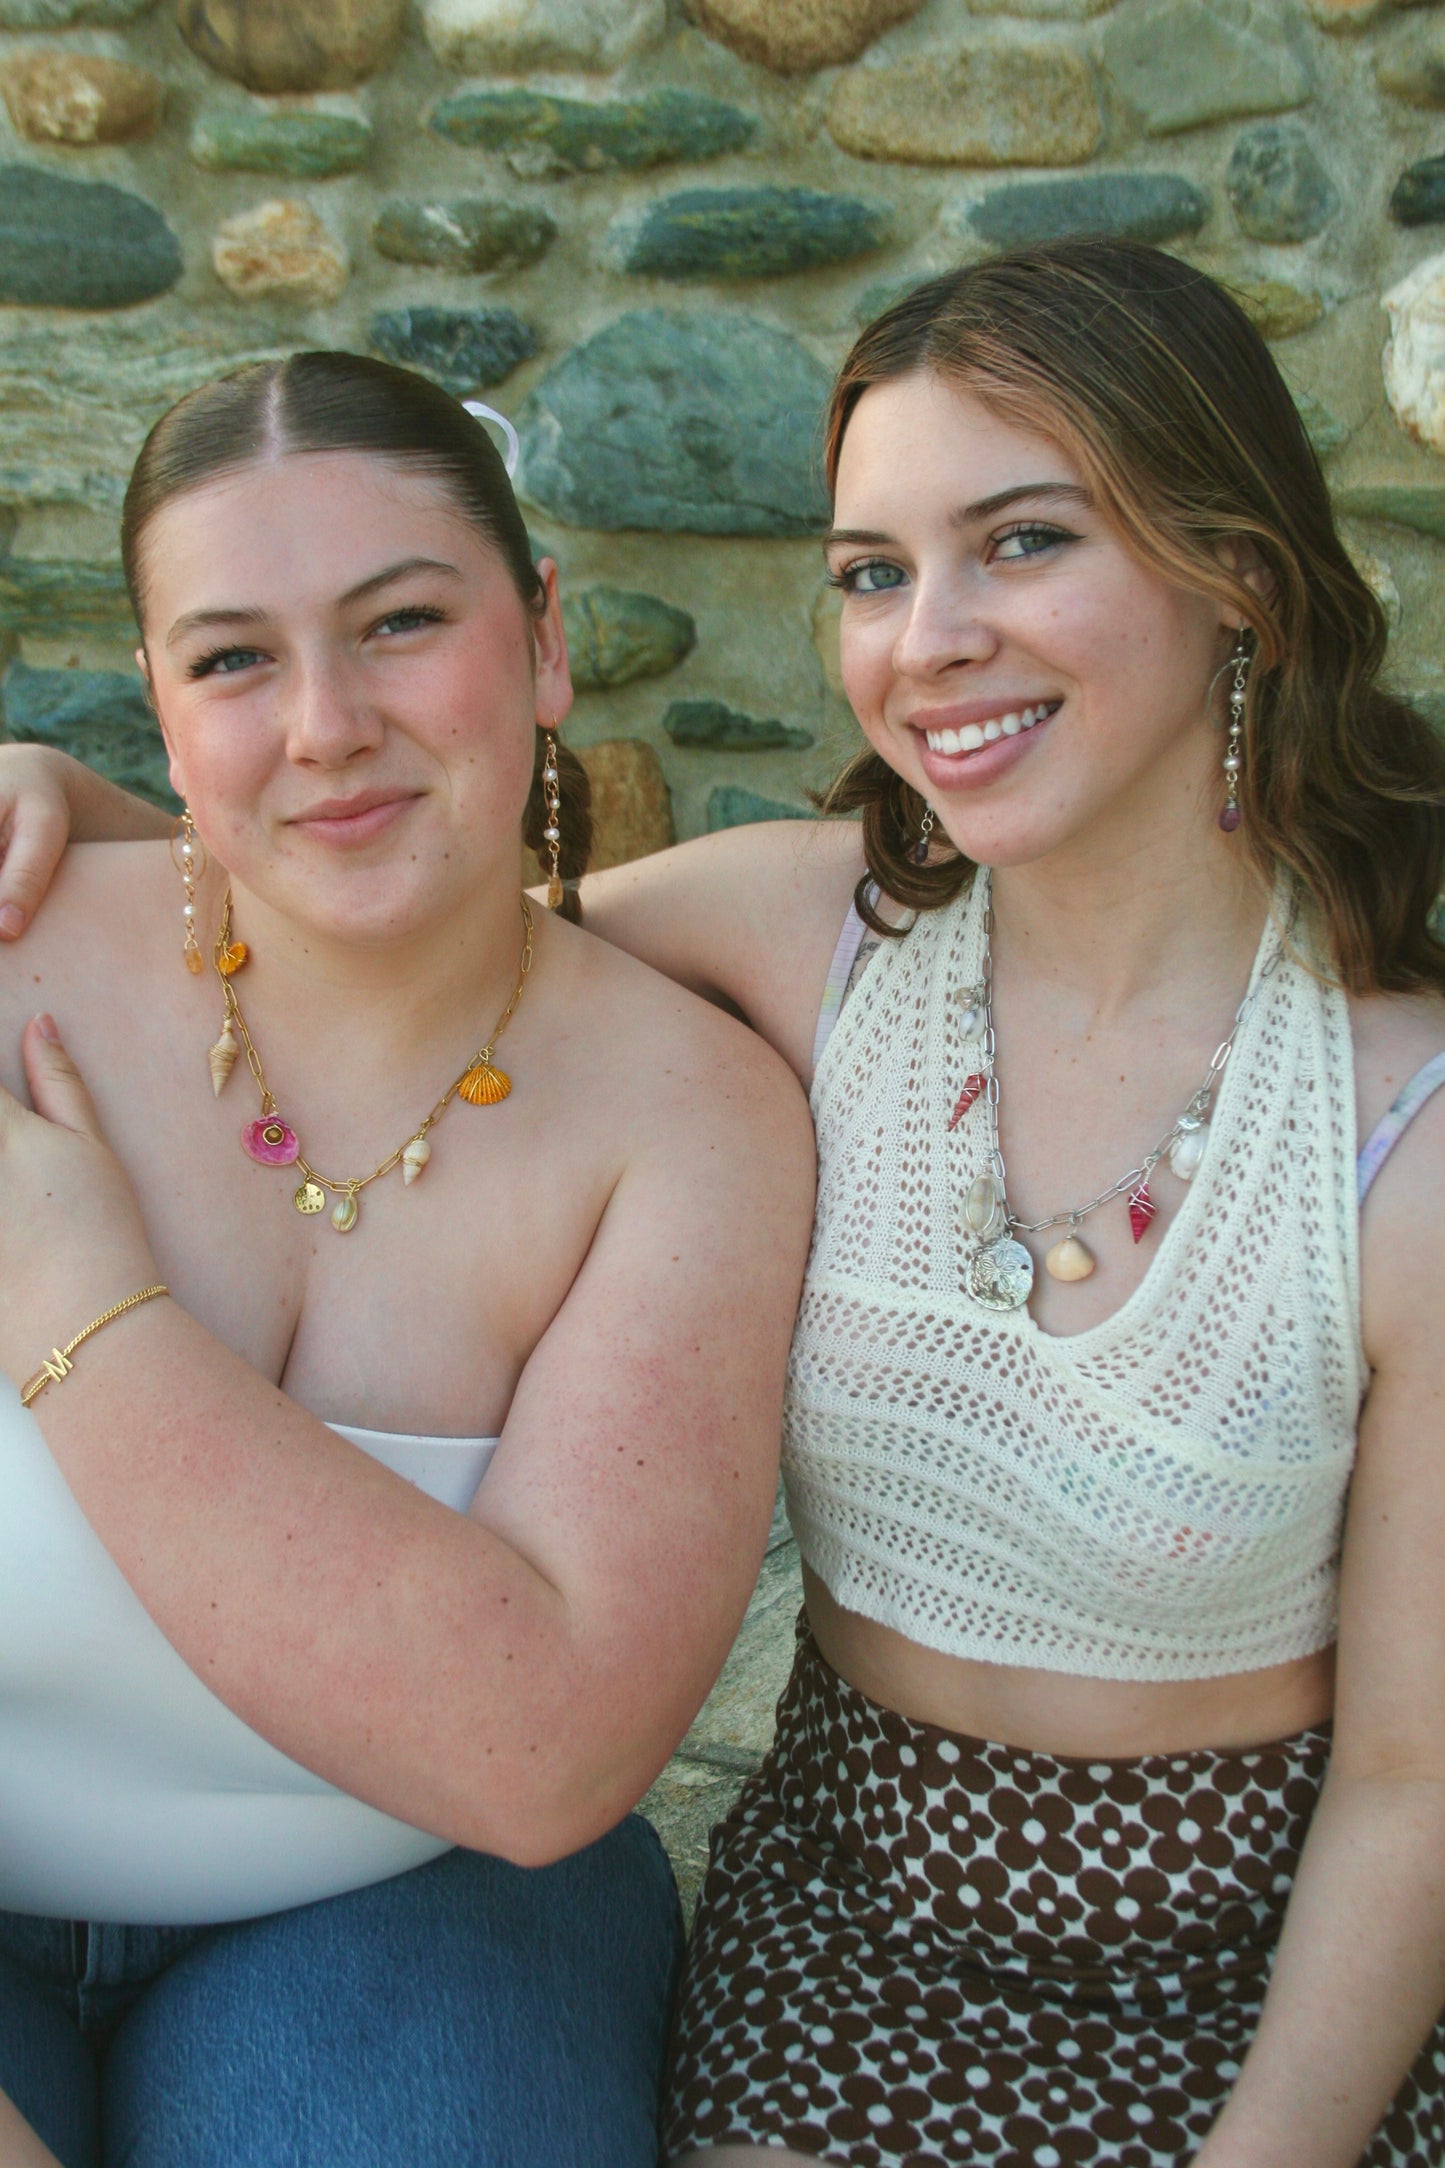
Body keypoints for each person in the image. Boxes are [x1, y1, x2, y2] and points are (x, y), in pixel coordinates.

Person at [9, 241, 1445, 2168]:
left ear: (1235, 569)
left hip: (1224, 1960)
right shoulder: (816, 942)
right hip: (856, 1929)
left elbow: (1416, 1781)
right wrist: (98, 817)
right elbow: (395, 899)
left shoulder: (1388, 1133)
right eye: (872, 572)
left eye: (1019, 543)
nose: (927, 637)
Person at [0, 351, 814, 2168]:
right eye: (231, 659)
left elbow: (550, 1754)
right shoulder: (13, 954)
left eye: (398, 625)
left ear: (542, 639)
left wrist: (72, 1298)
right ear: (153, 696)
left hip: (413, 1889)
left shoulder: (690, 1117)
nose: (323, 724)